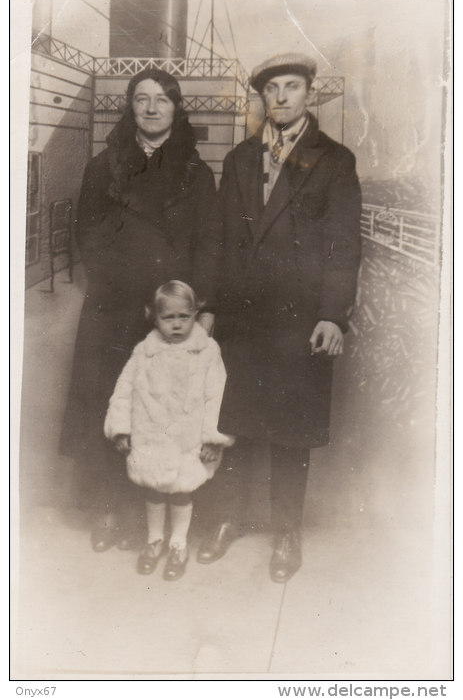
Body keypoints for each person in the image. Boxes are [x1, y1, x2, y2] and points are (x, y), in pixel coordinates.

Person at [197, 53, 362, 582]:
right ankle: (228, 519)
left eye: (293, 87)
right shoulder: (240, 158)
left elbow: (344, 245)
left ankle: (287, 531)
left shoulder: (335, 160)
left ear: (309, 93)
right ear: (262, 98)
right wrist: (208, 308)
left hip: (300, 319)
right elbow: (221, 240)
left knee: (291, 429)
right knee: (236, 423)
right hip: (243, 318)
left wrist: (333, 316)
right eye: (273, 89)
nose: (283, 97)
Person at [60, 69, 221, 552]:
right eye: (141, 100)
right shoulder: (103, 165)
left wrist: (198, 307)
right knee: (108, 401)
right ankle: (109, 509)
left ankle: (165, 513)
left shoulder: (196, 172)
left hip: (172, 313)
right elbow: (87, 233)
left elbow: (209, 243)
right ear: (130, 109)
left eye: (162, 101)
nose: (151, 109)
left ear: (176, 108)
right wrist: (124, 284)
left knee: (166, 408)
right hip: (114, 305)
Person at [104, 281, 233, 580]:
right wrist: (121, 429)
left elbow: (217, 396)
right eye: (168, 318)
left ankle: (178, 543)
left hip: (186, 441)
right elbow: (123, 391)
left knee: (180, 493)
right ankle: (154, 540)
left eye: (184, 317)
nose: (176, 324)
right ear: (154, 318)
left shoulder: (207, 351)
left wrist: (214, 438)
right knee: (154, 491)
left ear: (195, 314)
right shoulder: (144, 352)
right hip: (151, 437)